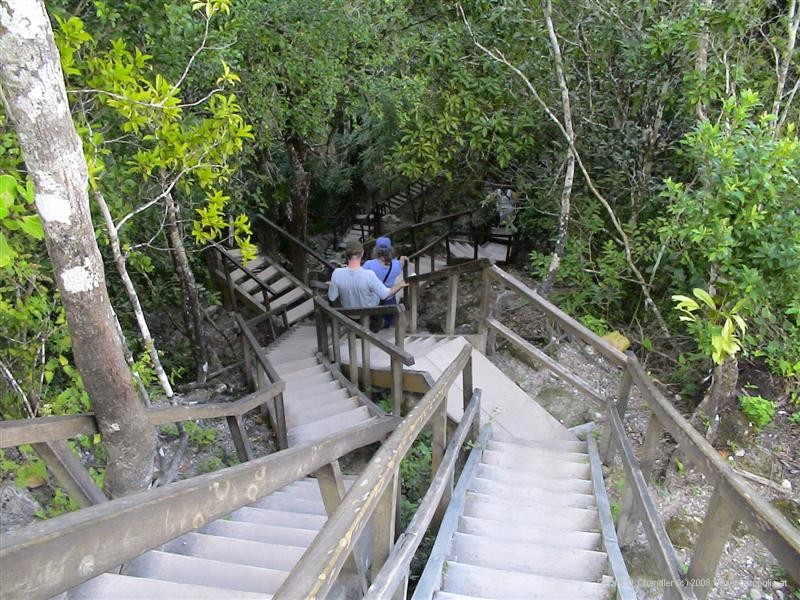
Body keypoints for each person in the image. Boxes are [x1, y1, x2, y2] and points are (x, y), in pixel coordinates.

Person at [328, 240, 407, 313]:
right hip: (367, 313)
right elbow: (385, 294)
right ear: (362, 253)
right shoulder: (369, 275)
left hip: (348, 313)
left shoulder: (336, 273)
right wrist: (401, 284)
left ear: (345, 254)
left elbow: (332, 297)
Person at [363, 237, 408, 328]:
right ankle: (384, 323)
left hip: (373, 298)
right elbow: (402, 263)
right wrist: (403, 258)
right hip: (389, 298)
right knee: (388, 319)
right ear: (390, 249)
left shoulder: (368, 264)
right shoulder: (397, 265)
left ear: (376, 250)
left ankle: (372, 322)